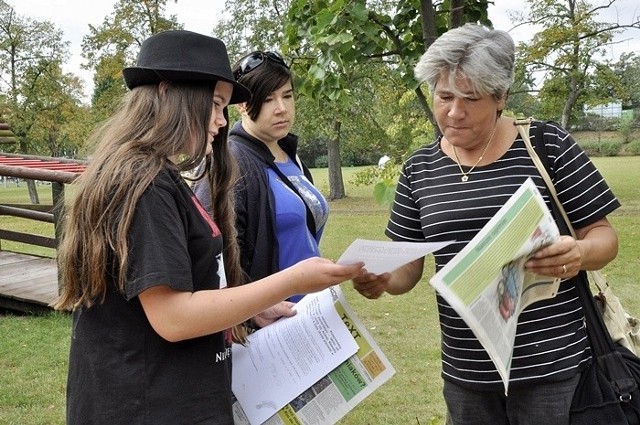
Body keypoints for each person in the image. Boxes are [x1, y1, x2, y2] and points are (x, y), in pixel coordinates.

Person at [53, 30, 363, 425]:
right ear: (167, 93)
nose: (221, 120)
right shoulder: (143, 183)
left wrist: (251, 309)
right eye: (215, 105)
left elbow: (186, 286)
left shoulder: (155, 175)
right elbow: (173, 316)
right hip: (149, 406)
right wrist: (292, 280)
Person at [351, 23, 620, 425]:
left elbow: (604, 238)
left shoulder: (547, 145)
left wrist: (579, 252)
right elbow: (408, 265)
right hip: (466, 376)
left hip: (552, 370)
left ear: (501, 97)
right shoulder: (420, 169)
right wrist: (383, 281)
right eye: (443, 97)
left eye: (470, 99)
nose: (454, 112)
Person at [193, 50, 328, 307]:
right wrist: (251, 312)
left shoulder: (291, 155)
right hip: (268, 319)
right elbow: (213, 258)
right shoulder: (230, 161)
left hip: (311, 311)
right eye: (268, 99)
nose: (281, 109)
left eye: (287, 96)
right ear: (242, 104)